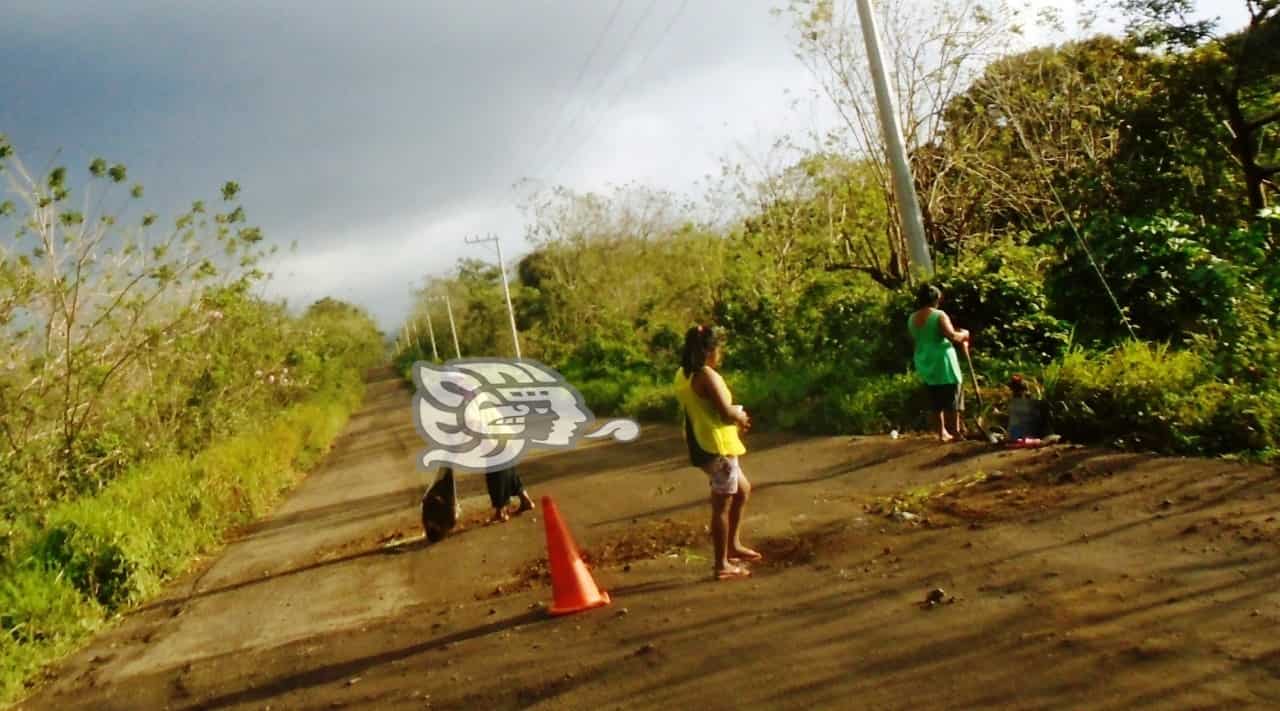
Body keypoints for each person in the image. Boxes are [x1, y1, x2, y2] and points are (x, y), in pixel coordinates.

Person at [673, 324, 760, 581]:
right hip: (717, 446)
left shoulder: (683, 373)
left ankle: (732, 545)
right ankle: (722, 564)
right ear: (711, 350)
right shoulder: (707, 376)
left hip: (699, 439)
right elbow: (725, 412)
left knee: (742, 490)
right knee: (722, 504)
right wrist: (740, 415)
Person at [907, 284, 970, 442]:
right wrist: (964, 334)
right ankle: (955, 431)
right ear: (936, 299)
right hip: (943, 360)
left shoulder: (912, 318)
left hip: (924, 359)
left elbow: (915, 339)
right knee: (952, 394)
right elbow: (952, 336)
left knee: (934, 396)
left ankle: (942, 433)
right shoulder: (939, 315)